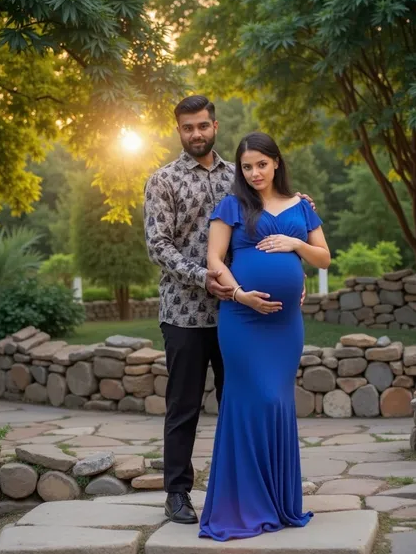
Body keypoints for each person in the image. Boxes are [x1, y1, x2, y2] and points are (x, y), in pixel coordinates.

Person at [144, 96, 315, 525]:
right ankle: (178, 493)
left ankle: (248, 489)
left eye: (202, 125)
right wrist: (207, 278)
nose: (196, 133)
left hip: (243, 318)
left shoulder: (239, 172)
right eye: (188, 127)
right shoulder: (162, 180)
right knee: (183, 405)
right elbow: (158, 246)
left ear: (214, 126)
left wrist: (293, 271)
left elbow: (268, 227)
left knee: (239, 401)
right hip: (186, 311)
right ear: (178, 130)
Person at [199, 132, 330, 541]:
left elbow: (324, 256)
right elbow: (214, 258)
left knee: (277, 403)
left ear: (276, 163)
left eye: (261, 164)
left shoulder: (302, 207)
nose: (254, 172)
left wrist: (295, 244)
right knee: (252, 401)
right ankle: (244, 504)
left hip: (284, 326)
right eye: (246, 166)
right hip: (242, 320)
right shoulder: (232, 205)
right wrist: (240, 295)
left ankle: (276, 502)